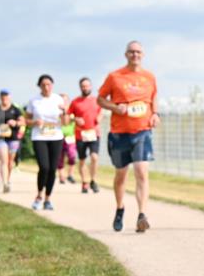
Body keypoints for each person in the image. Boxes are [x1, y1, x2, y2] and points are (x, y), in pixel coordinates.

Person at [98, 41, 159, 232]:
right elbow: (100, 99)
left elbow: (154, 97)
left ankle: (142, 215)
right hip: (119, 133)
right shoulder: (114, 76)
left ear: (143, 54)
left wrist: (156, 113)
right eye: (132, 52)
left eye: (138, 52)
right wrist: (116, 107)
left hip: (142, 131)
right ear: (126, 54)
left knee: (141, 172)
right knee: (121, 175)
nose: (135, 55)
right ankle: (120, 208)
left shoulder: (149, 77)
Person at [25, 75, 67, 210]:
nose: (46, 87)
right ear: (39, 86)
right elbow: (26, 121)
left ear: (52, 85)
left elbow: (65, 123)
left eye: (49, 84)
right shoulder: (34, 101)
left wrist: (65, 111)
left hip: (56, 136)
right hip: (39, 136)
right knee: (44, 167)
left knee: (52, 169)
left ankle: (48, 199)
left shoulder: (58, 99)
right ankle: (38, 196)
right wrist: (34, 122)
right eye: (43, 85)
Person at [68, 77, 102, 194]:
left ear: (91, 87)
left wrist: (99, 118)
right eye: (83, 86)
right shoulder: (75, 102)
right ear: (80, 87)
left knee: (94, 157)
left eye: (87, 86)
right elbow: (68, 116)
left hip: (94, 133)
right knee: (82, 160)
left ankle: (93, 180)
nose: (85, 88)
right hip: (80, 134)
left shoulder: (96, 100)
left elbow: (101, 112)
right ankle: (84, 182)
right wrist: (75, 119)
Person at [0, 89, 25, 193]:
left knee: (10, 162)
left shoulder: (15, 109)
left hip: (13, 138)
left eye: (6, 95)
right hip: (0, 138)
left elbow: (23, 122)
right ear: (0, 97)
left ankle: (8, 180)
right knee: (4, 160)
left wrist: (16, 122)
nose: (4, 97)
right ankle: (4, 183)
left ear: (9, 96)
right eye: (2, 95)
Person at [57, 94, 78, 184]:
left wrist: (66, 111)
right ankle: (61, 176)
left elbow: (67, 121)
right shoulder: (56, 111)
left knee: (72, 156)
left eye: (65, 100)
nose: (64, 102)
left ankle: (70, 174)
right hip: (59, 136)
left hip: (70, 137)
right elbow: (63, 122)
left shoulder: (72, 110)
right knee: (60, 158)